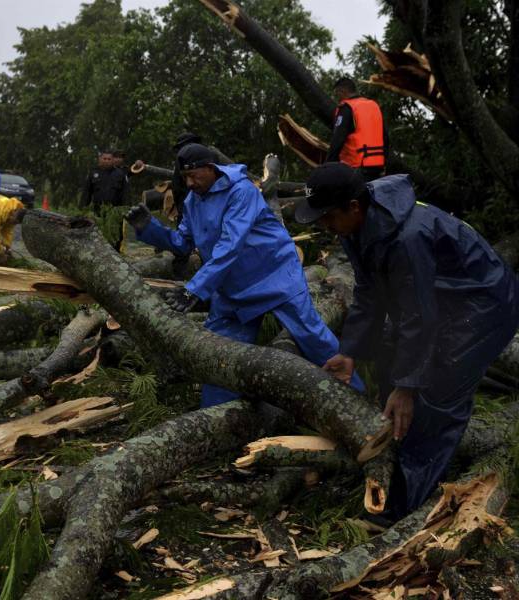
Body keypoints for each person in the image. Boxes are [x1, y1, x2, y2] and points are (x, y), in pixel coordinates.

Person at [295, 162, 519, 518]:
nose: (324, 226)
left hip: (481, 306)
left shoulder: (407, 237)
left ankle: (401, 509)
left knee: (436, 395)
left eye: (327, 217)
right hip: (439, 301)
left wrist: (408, 386)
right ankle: (387, 460)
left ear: (354, 207)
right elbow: (369, 291)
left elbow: (419, 315)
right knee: (389, 355)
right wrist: (350, 352)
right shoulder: (355, 229)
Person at [125, 144, 364, 408]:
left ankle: (360, 404)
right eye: (185, 178)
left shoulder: (241, 191)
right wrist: (150, 229)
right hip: (234, 290)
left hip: (275, 276)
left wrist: (194, 289)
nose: (190, 183)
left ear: (211, 168)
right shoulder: (193, 201)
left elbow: (230, 246)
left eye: (195, 176)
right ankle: (217, 422)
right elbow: (182, 242)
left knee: (314, 340)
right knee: (219, 358)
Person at [326, 76, 388, 181]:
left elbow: (337, 140)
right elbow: (385, 138)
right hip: (377, 167)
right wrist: (384, 163)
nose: (338, 99)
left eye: (337, 94)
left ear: (343, 91)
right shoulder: (373, 106)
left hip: (355, 167)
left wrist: (327, 167)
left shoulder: (347, 108)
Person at [81, 149, 129, 250]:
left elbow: (125, 194)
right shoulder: (93, 173)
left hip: (115, 213)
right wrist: (83, 209)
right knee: (98, 235)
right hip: (98, 213)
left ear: (113, 160)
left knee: (115, 236)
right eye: (104, 158)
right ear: (100, 159)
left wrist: (125, 210)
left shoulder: (120, 174)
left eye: (109, 159)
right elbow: (86, 193)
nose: (106, 161)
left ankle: (115, 254)